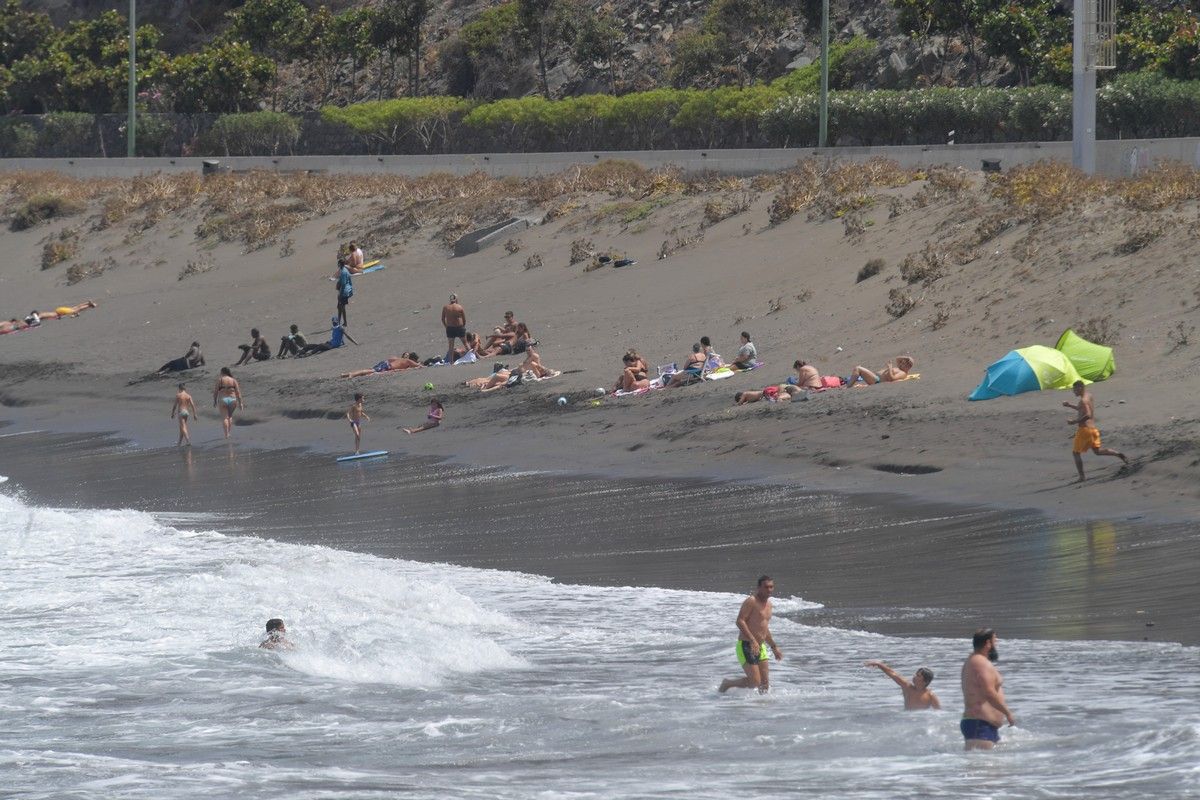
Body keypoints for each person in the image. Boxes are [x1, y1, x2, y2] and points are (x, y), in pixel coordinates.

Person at [718, 575, 782, 694]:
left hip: (760, 646)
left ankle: (761, 709)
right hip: (746, 645)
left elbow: (764, 628)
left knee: (765, 685)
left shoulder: (769, 604)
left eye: (771, 587)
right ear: (759, 587)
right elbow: (740, 621)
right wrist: (752, 640)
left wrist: (774, 647)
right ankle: (727, 684)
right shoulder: (751, 601)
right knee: (755, 683)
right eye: (766, 587)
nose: (769, 590)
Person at [960, 628, 1016, 750]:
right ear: (988, 643)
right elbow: (988, 692)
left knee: (991, 767)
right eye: (995, 641)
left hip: (982, 724)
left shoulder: (975, 661)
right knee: (980, 767)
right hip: (979, 724)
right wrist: (1008, 713)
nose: (996, 645)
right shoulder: (980, 663)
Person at [1064, 380, 1128, 482]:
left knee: (1075, 453)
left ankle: (1082, 477)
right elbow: (1082, 410)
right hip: (1093, 429)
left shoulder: (1083, 401)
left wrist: (1074, 422)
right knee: (1097, 451)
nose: (1073, 392)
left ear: (1080, 388)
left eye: (1075, 389)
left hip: (1084, 430)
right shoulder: (1088, 396)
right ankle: (1118, 454)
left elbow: (1088, 414)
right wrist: (1069, 405)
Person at [864, 660, 941, 710]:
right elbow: (892, 673)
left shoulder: (930, 695)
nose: (914, 676)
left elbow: (938, 713)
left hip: (921, 721)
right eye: (915, 674)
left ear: (925, 681)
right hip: (906, 719)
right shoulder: (907, 687)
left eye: (918, 676)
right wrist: (879, 665)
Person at [213, 367, 243, 439]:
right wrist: (241, 403)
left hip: (223, 399)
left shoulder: (220, 380)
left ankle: (226, 434)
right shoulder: (233, 380)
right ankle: (229, 432)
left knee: (224, 417)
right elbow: (238, 392)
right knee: (230, 416)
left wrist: (214, 401)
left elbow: (215, 392)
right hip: (232, 399)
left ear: (223, 372)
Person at [341, 352, 422, 378]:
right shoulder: (408, 361)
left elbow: (390, 359)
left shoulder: (398, 359)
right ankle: (351, 374)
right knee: (370, 371)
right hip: (387, 366)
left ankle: (346, 374)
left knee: (369, 371)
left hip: (384, 363)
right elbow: (419, 366)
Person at [848, 356, 915, 386]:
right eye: (901, 363)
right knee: (858, 369)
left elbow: (892, 379)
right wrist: (907, 358)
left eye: (903, 363)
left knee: (858, 368)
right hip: (875, 378)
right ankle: (850, 384)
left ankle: (847, 387)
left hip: (877, 381)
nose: (900, 364)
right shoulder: (900, 369)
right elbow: (897, 358)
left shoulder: (903, 373)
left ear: (907, 367)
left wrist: (890, 368)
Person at [442, 293, 468, 362]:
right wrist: (463, 327)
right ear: (456, 299)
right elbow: (464, 319)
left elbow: (442, 319)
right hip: (459, 327)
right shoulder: (459, 307)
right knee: (465, 343)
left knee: (451, 346)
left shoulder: (445, 307)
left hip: (450, 328)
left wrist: (446, 327)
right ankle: (472, 356)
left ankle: (451, 362)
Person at [171, 383, 198, 447]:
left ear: (179, 388)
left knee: (183, 427)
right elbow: (192, 405)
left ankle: (188, 441)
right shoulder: (188, 396)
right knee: (182, 428)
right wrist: (195, 414)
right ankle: (179, 443)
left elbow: (175, 405)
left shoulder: (178, 395)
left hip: (181, 412)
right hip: (186, 412)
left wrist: (172, 413)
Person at [30, 300, 97, 320]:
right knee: (75, 307)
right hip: (58, 310)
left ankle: (89, 305)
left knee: (76, 310)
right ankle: (87, 303)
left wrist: (31, 319)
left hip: (59, 312)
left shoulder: (40, 315)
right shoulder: (42, 313)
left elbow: (37, 319)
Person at [335, 258, 354, 327]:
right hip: (346, 291)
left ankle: (343, 322)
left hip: (344, 292)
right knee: (340, 307)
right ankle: (339, 322)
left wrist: (340, 294)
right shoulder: (345, 270)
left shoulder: (343, 272)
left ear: (340, 264)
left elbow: (343, 284)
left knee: (341, 307)